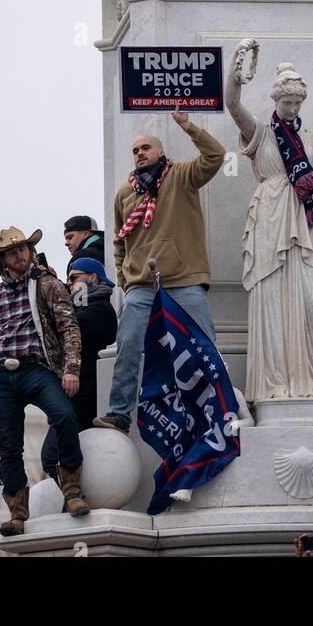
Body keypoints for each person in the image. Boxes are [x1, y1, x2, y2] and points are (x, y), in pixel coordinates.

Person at [225, 42, 313, 403]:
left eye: (297, 103)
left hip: (310, 221)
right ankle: (274, 384)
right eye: (286, 103)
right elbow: (232, 104)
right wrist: (236, 72)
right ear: (276, 102)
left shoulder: (312, 140)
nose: (292, 109)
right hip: (272, 217)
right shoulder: (261, 133)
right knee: (273, 305)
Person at [94, 109, 226, 431]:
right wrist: (126, 280)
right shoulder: (125, 194)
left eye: (146, 148)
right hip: (141, 287)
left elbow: (216, 155)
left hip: (185, 281)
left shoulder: (182, 175)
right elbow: (119, 240)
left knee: (204, 344)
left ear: (160, 152)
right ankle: (120, 414)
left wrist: (188, 127)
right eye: (135, 150)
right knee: (127, 344)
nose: (140, 153)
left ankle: (219, 408)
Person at [0, 225, 89, 534]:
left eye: (22, 248)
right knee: (9, 446)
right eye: (11, 252)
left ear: (30, 251)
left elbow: (69, 328)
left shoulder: (48, 285)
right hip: (2, 374)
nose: (19, 254)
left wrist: (71, 369)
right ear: (1, 262)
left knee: (64, 416)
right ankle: (17, 511)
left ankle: (72, 490)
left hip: (37, 369)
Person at [40, 257, 118, 478]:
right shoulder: (85, 309)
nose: (69, 284)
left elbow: (63, 332)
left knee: (53, 457)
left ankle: (80, 502)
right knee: (54, 459)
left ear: (93, 277)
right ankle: (76, 502)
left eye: (74, 278)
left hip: (84, 403)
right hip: (75, 403)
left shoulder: (99, 310)